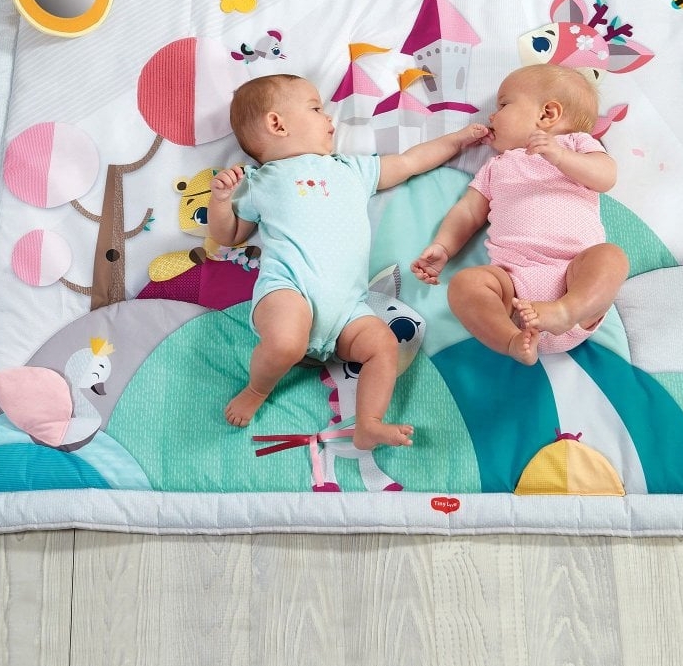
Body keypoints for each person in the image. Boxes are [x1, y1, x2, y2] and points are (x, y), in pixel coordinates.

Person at [208, 73, 488, 449]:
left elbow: (409, 162)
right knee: (286, 343)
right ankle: (257, 389)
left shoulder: (350, 169)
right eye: (316, 109)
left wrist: (457, 140)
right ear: (277, 123)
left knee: (384, 345)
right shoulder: (261, 182)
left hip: (348, 309)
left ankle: (368, 423)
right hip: (290, 289)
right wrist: (220, 201)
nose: (329, 118)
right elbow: (229, 235)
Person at [411, 65, 629, 365]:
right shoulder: (496, 167)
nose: (492, 116)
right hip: (513, 290)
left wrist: (560, 156)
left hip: (576, 277)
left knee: (611, 257)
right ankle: (511, 340)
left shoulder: (576, 145)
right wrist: (443, 246)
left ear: (547, 114)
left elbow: (606, 176)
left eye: (503, 105)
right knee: (465, 285)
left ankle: (567, 310)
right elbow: (468, 212)